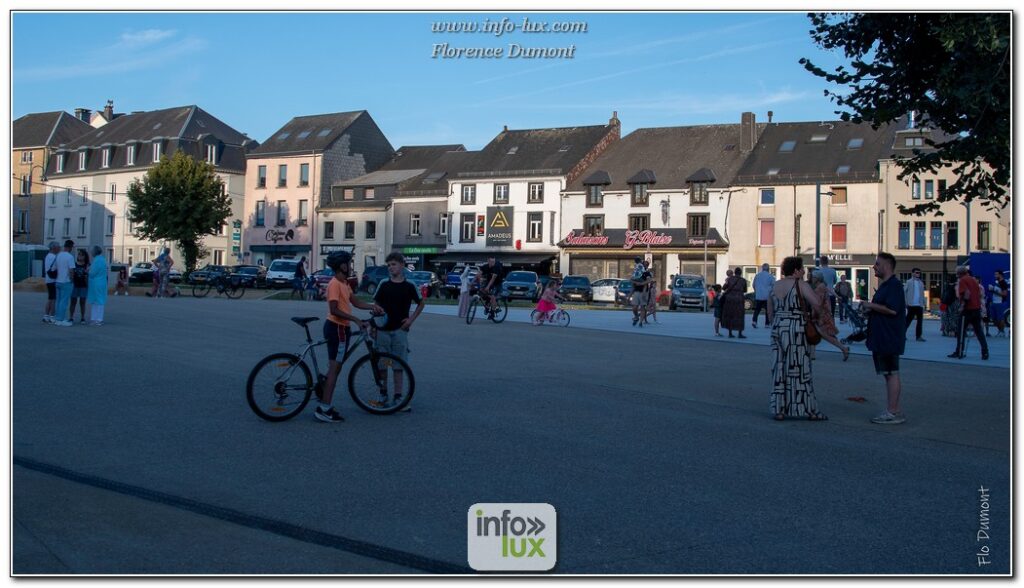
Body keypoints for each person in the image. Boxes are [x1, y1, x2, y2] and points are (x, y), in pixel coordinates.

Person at [316, 251, 384, 423]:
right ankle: (324, 408)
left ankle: (323, 393)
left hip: (341, 328)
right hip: (337, 328)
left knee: (335, 367)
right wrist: (355, 319)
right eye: (349, 263)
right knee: (335, 369)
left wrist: (373, 306)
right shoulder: (334, 284)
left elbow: (355, 302)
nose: (351, 266)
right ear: (342, 266)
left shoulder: (344, 283)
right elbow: (334, 309)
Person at [767, 256, 826, 421]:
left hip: (778, 327)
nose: (804, 272)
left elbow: (770, 311)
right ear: (795, 270)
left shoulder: (775, 286)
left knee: (779, 367)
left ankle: (779, 409)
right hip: (796, 327)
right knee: (800, 369)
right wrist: (817, 317)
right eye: (802, 269)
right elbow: (817, 304)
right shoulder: (800, 284)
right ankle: (809, 410)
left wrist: (778, 322)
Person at [371, 252, 424, 410]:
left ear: (402, 265)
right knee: (383, 364)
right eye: (389, 265)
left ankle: (398, 397)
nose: (391, 267)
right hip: (382, 330)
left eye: (393, 264)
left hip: (400, 330)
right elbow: (375, 303)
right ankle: (383, 394)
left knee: (398, 365)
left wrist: (410, 320)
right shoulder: (384, 284)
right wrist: (374, 324)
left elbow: (421, 303)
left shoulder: (409, 285)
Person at [862, 252, 908, 424]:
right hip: (882, 336)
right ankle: (893, 409)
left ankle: (893, 412)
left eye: (877, 264)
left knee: (891, 373)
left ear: (887, 266)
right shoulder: (885, 286)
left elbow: (893, 309)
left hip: (889, 336)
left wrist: (871, 305)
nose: (874, 267)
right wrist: (870, 310)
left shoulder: (894, 285)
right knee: (888, 373)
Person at [949, 266, 989, 360]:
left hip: (967, 309)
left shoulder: (963, 280)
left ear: (959, 274)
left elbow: (966, 294)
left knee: (961, 331)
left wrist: (962, 306)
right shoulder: (974, 280)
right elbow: (979, 294)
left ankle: (959, 351)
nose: (956, 275)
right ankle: (985, 352)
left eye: (957, 274)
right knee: (979, 331)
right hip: (976, 309)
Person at [809, 270, 850, 360]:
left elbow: (818, 303)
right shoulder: (822, 286)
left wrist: (813, 314)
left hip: (821, 315)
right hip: (823, 314)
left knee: (825, 335)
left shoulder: (819, 288)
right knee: (815, 333)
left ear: (817, 278)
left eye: (813, 277)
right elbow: (830, 291)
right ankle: (812, 354)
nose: (811, 279)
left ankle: (844, 349)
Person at [52, 240, 77, 326]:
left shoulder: (58, 255)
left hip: (58, 280)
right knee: (64, 301)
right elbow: (71, 270)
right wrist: (72, 279)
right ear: (70, 247)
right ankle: (61, 319)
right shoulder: (70, 257)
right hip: (66, 281)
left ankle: (57, 318)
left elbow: (54, 268)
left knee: (59, 301)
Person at [720, 267, 747, 338]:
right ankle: (740, 333)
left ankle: (730, 333)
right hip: (739, 299)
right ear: (741, 273)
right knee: (740, 316)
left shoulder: (729, 279)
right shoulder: (743, 280)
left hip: (730, 299)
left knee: (730, 315)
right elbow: (745, 290)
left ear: (734, 272)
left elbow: (724, 288)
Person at [904, 267, 927, 342]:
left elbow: (922, 294)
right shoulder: (909, 282)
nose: (918, 274)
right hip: (911, 305)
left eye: (919, 273)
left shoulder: (921, 283)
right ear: (913, 273)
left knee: (920, 321)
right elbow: (904, 291)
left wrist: (924, 303)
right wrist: (906, 302)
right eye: (917, 272)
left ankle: (918, 336)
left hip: (919, 305)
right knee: (907, 321)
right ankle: (902, 334)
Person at [87, 246, 109, 326]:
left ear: (94, 252)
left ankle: (97, 319)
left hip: (96, 283)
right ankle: (96, 319)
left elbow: (92, 273)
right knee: (98, 300)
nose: (91, 252)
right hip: (101, 282)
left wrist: (88, 271)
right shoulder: (103, 260)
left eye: (91, 251)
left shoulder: (97, 260)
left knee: (97, 301)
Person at [751, 263, 775, 328]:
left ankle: (754, 321)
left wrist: (756, 291)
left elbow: (753, 285)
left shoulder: (757, 275)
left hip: (759, 295)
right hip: (767, 296)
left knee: (757, 309)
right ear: (768, 269)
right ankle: (767, 324)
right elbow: (774, 286)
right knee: (768, 310)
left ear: (762, 268)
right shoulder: (770, 276)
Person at [70, 249, 90, 324]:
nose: (80, 256)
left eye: (82, 255)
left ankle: (82, 318)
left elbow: (89, 276)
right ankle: (71, 317)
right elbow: (71, 274)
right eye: (79, 254)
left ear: (85, 256)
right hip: (75, 285)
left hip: (83, 286)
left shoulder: (87, 265)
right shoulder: (74, 264)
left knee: (82, 302)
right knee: (73, 302)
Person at [43, 241, 61, 323]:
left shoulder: (48, 256)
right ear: (54, 248)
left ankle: (46, 316)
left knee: (50, 298)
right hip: (53, 280)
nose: (59, 248)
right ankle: (52, 316)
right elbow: (57, 267)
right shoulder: (54, 257)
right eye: (58, 247)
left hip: (48, 279)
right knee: (53, 299)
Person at [631, 260, 653, 327]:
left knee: (642, 307)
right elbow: (632, 280)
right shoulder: (637, 272)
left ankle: (640, 322)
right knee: (634, 308)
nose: (645, 266)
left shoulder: (647, 273)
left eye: (646, 265)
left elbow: (649, 280)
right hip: (636, 291)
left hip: (644, 292)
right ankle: (636, 316)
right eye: (644, 264)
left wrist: (641, 283)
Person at [988, 270, 1010, 336]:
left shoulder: (1003, 283)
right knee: (994, 318)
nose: (995, 276)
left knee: (1000, 318)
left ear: (1001, 275)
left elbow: (1005, 294)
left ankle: (1002, 331)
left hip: (1000, 303)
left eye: (996, 274)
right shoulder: (997, 282)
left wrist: (994, 290)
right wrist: (992, 290)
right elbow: (995, 291)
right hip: (994, 302)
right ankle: (1000, 330)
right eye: (995, 274)